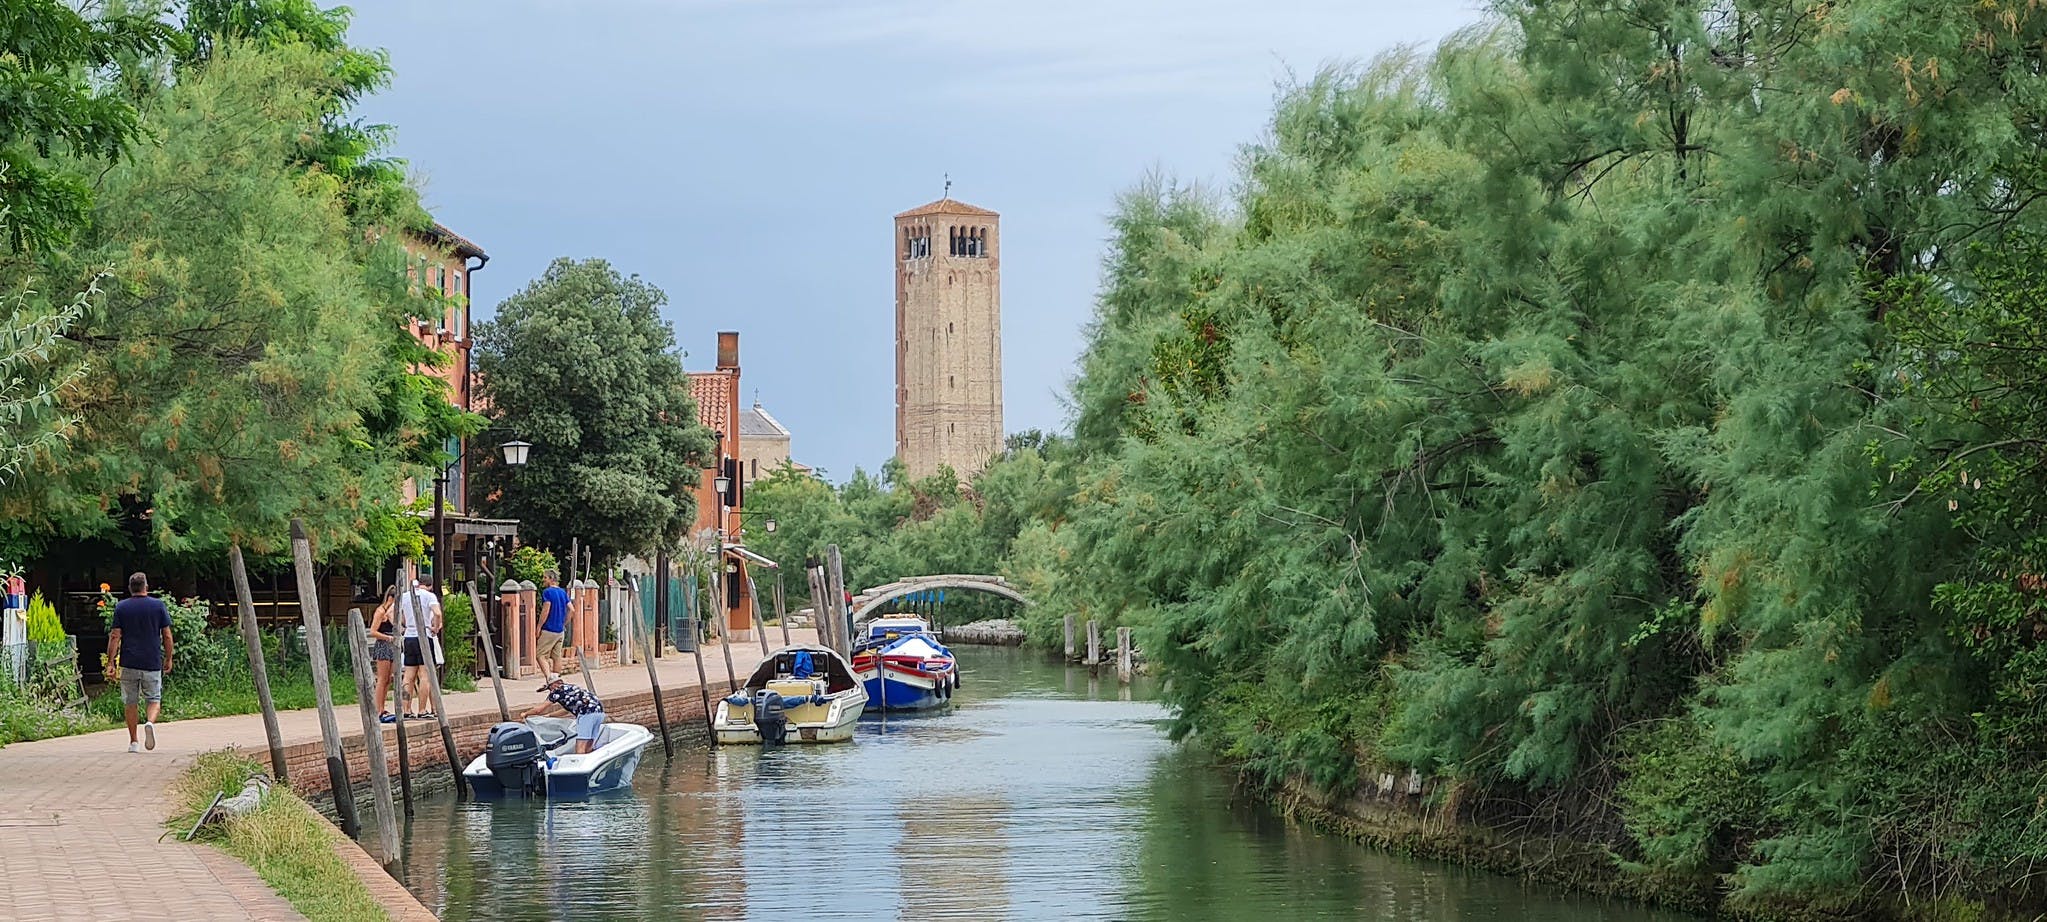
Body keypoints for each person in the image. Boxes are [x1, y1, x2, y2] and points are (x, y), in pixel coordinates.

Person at [106, 572, 172, 753]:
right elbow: (166, 635)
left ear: (130, 588)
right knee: (154, 699)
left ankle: (134, 742)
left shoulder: (122, 607)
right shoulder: (158, 606)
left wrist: (110, 662)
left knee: (130, 702)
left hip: (128, 662)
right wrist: (169, 657)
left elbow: (115, 636)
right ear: (146, 587)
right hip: (151, 661)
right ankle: (150, 722)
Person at [525, 673, 604, 754]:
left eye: (550, 688)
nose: (550, 691)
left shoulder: (557, 691)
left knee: (580, 745)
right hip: (599, 712)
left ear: (553, 684)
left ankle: (578, 764)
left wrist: (525, 714)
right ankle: (589, 762)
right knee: (589, 744)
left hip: (586, 714)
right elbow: (566, 710)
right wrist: (549, 716)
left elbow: (539, 710)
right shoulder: (572, 688)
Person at [398, 576, 442, 720]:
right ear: (429, 585)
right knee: (425, 676)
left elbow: (399, 616)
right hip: (424, 636)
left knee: (408, 676)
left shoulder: (405, 596)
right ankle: (422, 710)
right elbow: (437, 613)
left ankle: (406, 709)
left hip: (409, 637)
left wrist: (405, 624)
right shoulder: (430, 596)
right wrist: (435, 627)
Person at [367, 585, 400, 723]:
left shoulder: (393, 613)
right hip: (383, 645)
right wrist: (387, 638)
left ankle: (382, 706)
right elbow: (373, 631)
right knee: (382, 678)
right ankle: (377, 708)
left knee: (388, 679)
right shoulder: (381, 612)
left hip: (392, 646)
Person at [536, 570, 571, 678]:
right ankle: (556, 678)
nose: (543, 580)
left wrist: (539, 626)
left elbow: (546, 609)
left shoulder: (547, 592)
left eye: (545, 578)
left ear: (551, 579)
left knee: (540, 655)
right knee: (557, 656)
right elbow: (572, 609)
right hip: (560, 631)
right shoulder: (563, 592)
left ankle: (549, 679)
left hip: (549, 629)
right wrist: (564, 623)